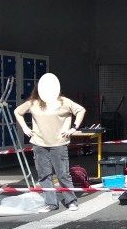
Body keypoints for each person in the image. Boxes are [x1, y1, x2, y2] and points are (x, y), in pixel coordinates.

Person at [14, 74, 86, 213]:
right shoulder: (33, 103)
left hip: (59, 143)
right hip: (39, 143)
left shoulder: (64, 102)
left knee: (63, 174)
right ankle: (51, 203)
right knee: (44, 175)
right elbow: (17, 112)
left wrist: (73, 128)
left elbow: (81, 110)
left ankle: (71, 201)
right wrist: (25, 128)